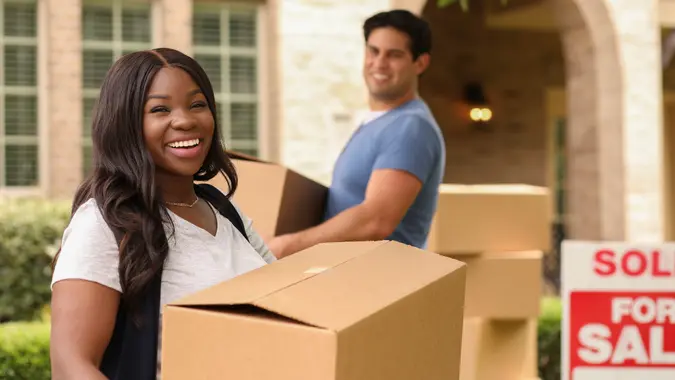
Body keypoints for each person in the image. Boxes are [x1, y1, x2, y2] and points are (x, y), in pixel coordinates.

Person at [49, 48, 275, 380]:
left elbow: (284, 299)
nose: (185, 120)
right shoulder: (104, 223)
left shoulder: (224, 211)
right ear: (125, 124)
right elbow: (72, 367)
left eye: (197, 104)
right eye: (160, 109)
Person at [268, 9, 445, 259]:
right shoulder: (379, 122)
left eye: (394, 55)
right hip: (353, 281)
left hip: (379, 286)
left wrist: (286, 246)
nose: (379, 63)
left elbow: (376, 220)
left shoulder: (410, 127)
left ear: (420, 63)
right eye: (373, 51)